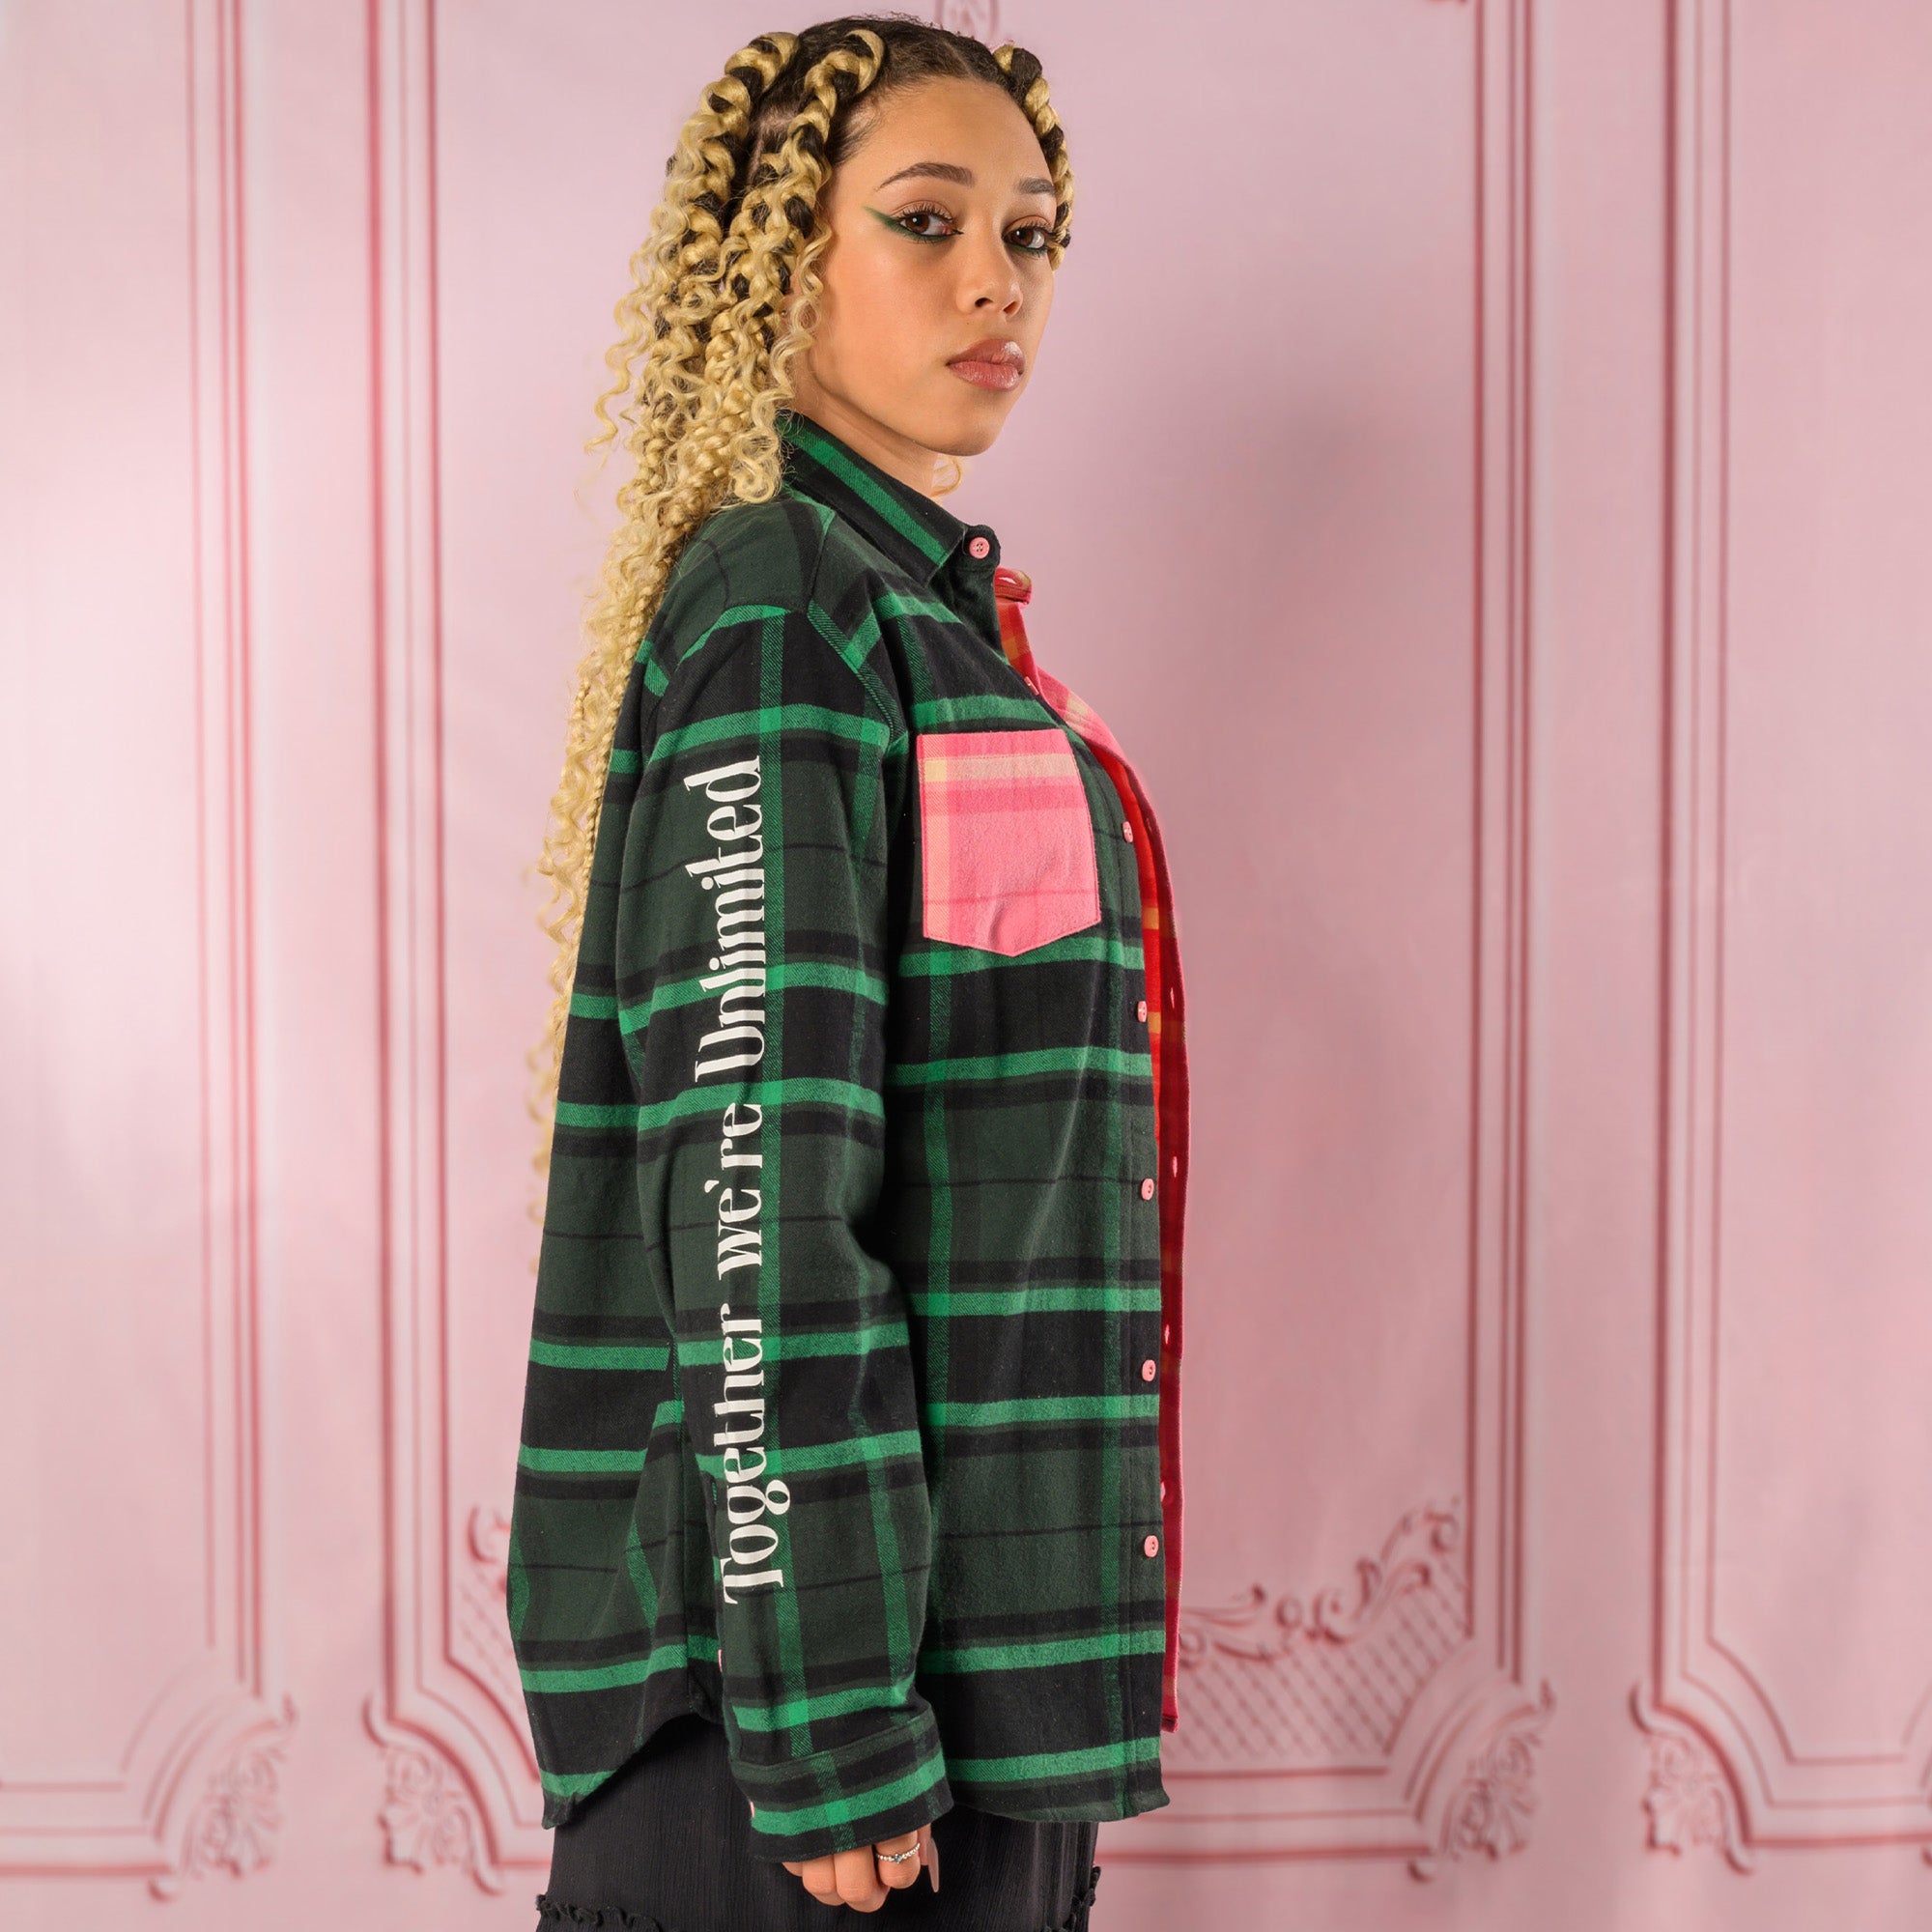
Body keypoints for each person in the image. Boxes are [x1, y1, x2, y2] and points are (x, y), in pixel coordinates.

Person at [510, 14, 1190, 1927]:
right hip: (814, 1747)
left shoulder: (932, 629)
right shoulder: (787, 615)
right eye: (925, 218)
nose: (997, 278)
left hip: (968, 1705)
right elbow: (759, 1205)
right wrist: (824, 1724)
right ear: (778, 261)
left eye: (1031, 233)